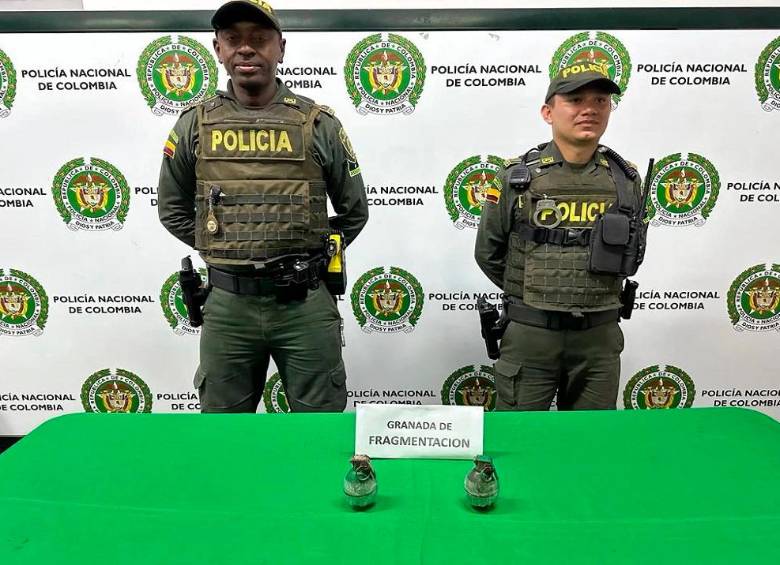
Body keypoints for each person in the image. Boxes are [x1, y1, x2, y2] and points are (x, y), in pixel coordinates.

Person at [158, 0, 368, 413]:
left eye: (259, 39)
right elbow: (173, 209)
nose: (246, 49)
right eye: (233, 40)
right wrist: (225, 243)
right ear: (217, 49)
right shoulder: (194, 124)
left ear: (281, 47)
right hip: (228, 307)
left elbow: (354, 212)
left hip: (303, 305)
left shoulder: (317, 123)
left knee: (320, 430)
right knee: (224, 435)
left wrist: (308, 253)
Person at [475, 62, 645, 411]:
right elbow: (488, 253)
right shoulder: (516, 177)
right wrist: (530, 289)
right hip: (531, 334)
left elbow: (633, 255)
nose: (589, 109)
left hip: (598, 339)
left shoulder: (625, 180)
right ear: (548, 112)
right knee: (518, 443)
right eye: (575, 99)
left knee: (591, 446)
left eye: (600, 101)